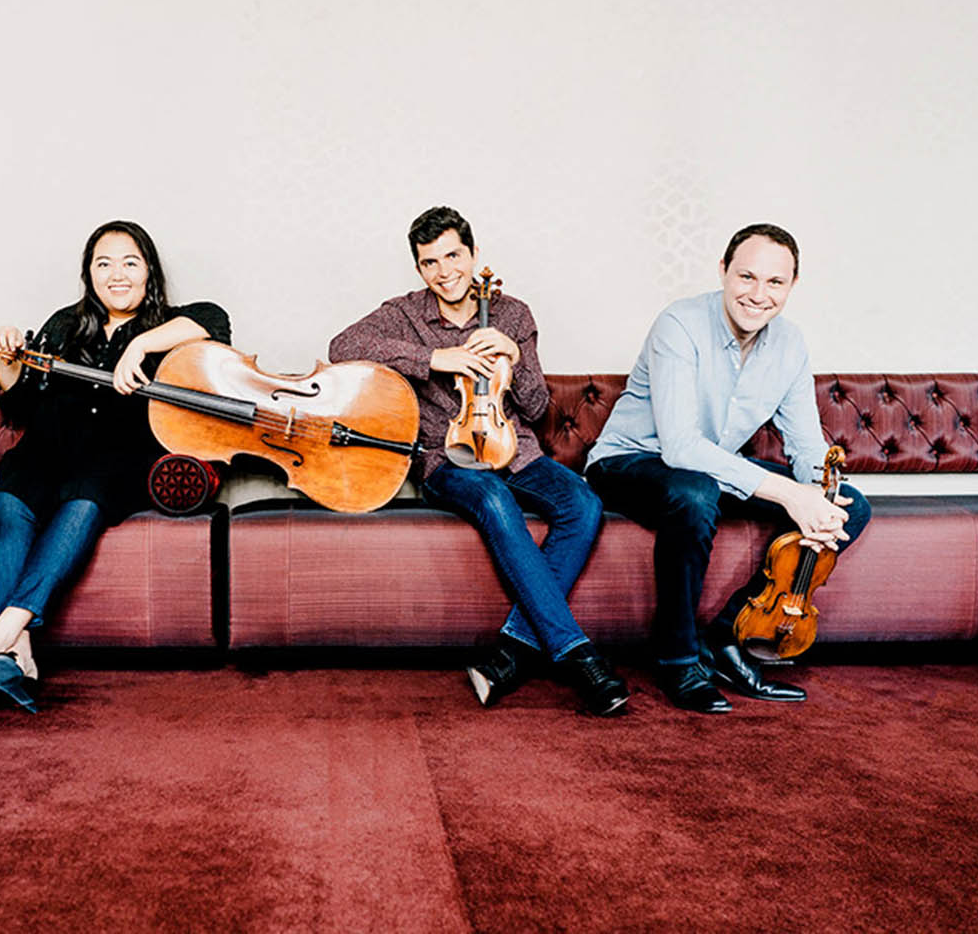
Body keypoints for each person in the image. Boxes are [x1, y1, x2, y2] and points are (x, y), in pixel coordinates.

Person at [329, 206, 628, 717]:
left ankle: (512, 653)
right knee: (492, 499)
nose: (445, 272)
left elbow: (536, 408)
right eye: (430, 263)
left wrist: (513, 355)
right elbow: (342, 347)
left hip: (518, 451)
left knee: (582, 502)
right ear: (418, 269)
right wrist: (433, 359)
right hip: (448, 457)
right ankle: (579, 656)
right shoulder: (403, 314)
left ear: (472, 253)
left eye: (453, 256)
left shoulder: (513, 314)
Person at [586, 223, 872, 714]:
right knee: (694, 492)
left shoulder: (790, 344)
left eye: (775, 283)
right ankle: (677, 658)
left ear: (792, 286)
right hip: (628, 461)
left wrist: (819, 492)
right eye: (746, 277)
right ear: (723, 271)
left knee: (852, 507)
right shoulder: (678, 324)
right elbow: (679, 447)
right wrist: (787, 493)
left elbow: (805, 446)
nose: (758, 295)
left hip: (712, 469)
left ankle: (726, 637)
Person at [0, 220, 230, 713]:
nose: (116, 274)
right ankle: (13, 653)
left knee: (85, 498)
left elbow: (216, 320)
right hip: (49, 450)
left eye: (130, 262)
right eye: (103, 263)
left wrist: (139, 347)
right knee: (10, 498)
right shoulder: (65, 323)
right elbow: (21, 401)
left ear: (149, 270)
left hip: (119, 459)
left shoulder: (168, 324)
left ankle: (0, 632)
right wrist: (6, 356)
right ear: (89, 273)